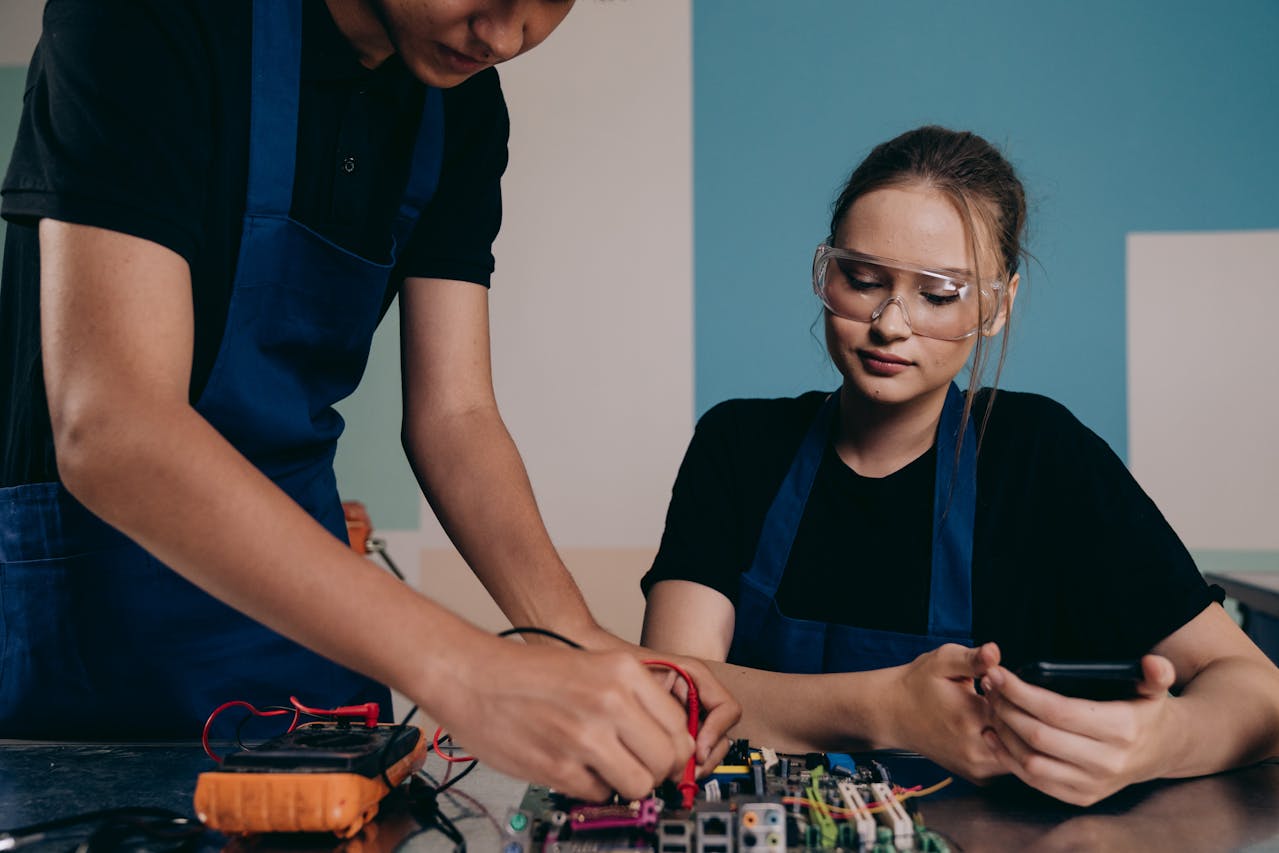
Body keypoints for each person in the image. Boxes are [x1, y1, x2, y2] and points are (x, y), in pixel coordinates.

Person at [0, 0, 737, 802]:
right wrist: (466, 668)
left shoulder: (462, 104)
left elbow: (455, 416)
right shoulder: (146, 21)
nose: (503, 36)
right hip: (89, 634)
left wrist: (571, 638)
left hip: (311, 632)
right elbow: (115, 429)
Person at [640, 125, 1279, 806]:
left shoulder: (1042, 456)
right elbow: (674, 692)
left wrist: (1160, 740)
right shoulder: (738, 444)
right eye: (862, 280)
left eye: (937, 294)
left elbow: (1257, 689)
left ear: (996, 306)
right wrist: (884, 705)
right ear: (826, 273)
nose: (890, 322)